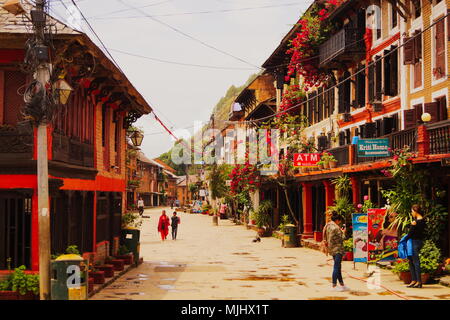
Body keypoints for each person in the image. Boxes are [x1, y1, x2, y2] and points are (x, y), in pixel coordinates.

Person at [323, 212, 349, 291]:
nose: (340, 223)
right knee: (336, 267)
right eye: (339, 221)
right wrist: (343, 232)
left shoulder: (328, 225)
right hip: (338, 249)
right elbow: (342, 238)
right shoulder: (336, 228)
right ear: (337, 220)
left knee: (338, 267)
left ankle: (341, 284)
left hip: (332, 248)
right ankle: (334, 285)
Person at [404, 204, 426, 288]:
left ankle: (418, 281)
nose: (411, 213)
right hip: (418, 242)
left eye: (412, 211)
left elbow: (410, 234)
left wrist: (404, 240)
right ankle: (414, 280)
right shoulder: (423, 220)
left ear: (416, 211)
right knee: (411, 261)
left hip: (414, 242)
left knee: (415, 262)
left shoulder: (415, 222)